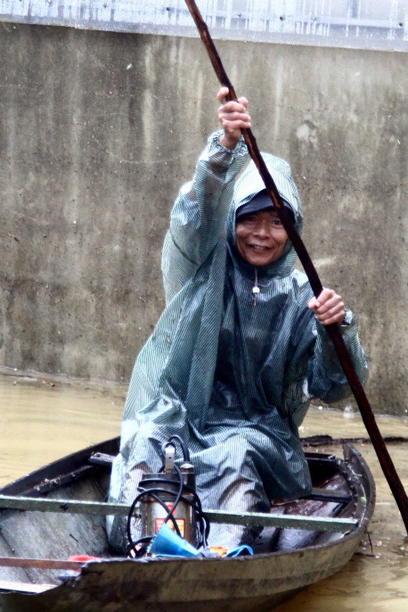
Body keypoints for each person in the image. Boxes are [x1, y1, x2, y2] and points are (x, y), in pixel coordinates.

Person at [107, 88, 369, 551]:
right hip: (183, 418)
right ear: (231, 221)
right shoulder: (202, 265)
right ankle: (141, 545)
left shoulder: (303, 296)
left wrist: (336, 332)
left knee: (234, 451)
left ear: (293, 228)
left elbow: (332, 386)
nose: (262, 234)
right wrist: (226, 146)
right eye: (250, 219)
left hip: (260, 435)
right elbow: (196, 212)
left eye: (277, 222)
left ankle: (221, 554)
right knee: (148, 437)